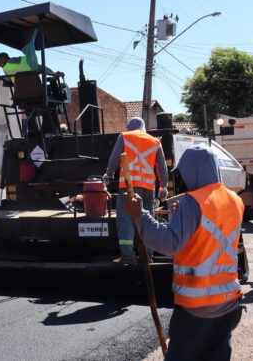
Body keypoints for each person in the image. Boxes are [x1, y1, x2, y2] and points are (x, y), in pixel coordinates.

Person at [124, 145, 244, 361]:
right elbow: (209, 236)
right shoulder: (235, 200)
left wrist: (140, 215)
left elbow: (169, 244)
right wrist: (184, 217)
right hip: (228, 303)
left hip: (198, 307)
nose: (185, 179)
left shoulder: (193, 202)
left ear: (194, 170)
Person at [104, 117, 168, 264]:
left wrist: (109, 174)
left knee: (126, 220)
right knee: (147, 220)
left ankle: (128, 256)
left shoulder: (125, 136)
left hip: (128, 186)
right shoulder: (155, 141)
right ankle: (148, 256)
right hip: (148, 188)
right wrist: (163, 186)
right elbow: (162, 167)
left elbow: (114, 158)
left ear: (130, 127)